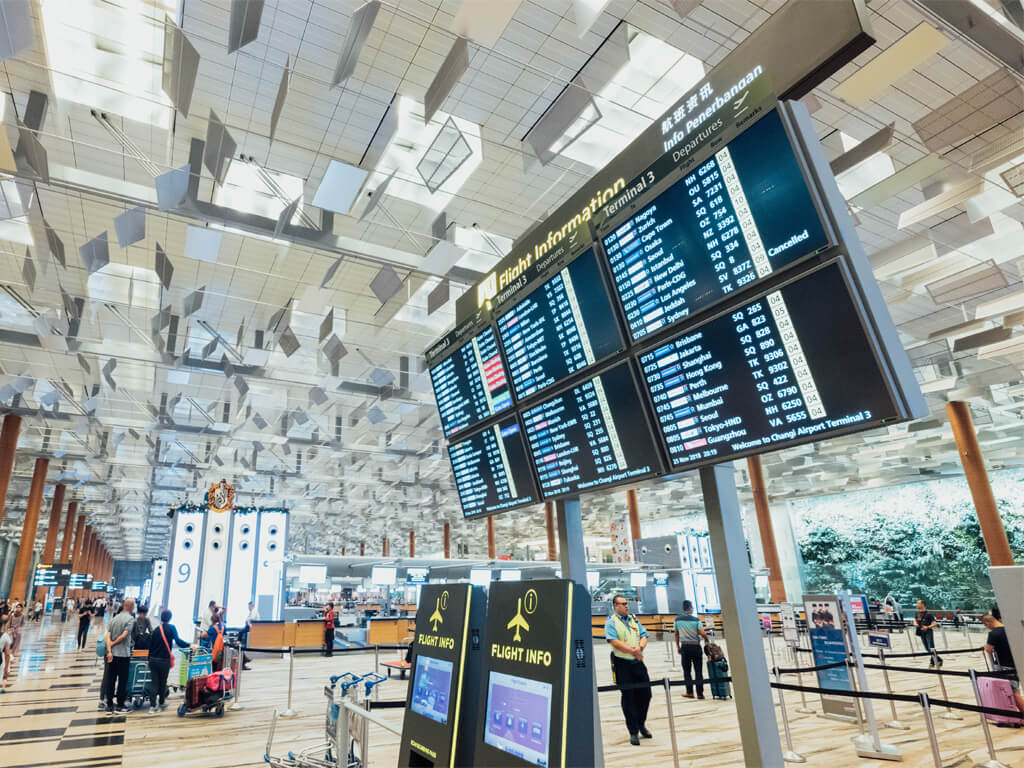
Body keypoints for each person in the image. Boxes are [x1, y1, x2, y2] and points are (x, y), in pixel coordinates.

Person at [604, 595, 652, 746]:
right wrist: (632, 651)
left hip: (637, 663)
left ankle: (641, 723)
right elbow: (614, 642)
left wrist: (640, 648)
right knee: (629, 697)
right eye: (623, 604)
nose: (626, 606)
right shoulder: (611, 622)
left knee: (646, 694)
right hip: (622, 664)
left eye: (627, 604)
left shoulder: (634, 619)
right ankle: (633, 731)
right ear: (615, 606)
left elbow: (644, 635)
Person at [147, 609, 191, 713]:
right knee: (162, 682)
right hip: (164, 660)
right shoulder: (171, 628)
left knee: (154, 683)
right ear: (170, 618)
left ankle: (152, 706)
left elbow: (151, 646)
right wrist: (189, 645)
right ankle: (161, 703)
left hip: (153, 660)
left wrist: (148, 659)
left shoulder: (156, 629)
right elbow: (178, 641)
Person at [103, 598, 135, 713]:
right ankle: (120, 705)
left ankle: (109, 705)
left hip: (112, 655)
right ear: (131, 606)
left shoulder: (114, 618)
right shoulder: (130, 619)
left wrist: (110, 649)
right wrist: (114, 643)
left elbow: (107, 635)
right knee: (122, 681)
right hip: (123, 655)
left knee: (110, 680)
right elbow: (124, 635)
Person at [674, 599, 706, 699]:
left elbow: (676, 634)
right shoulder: (696, 620)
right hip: (696, 646)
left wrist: (678, 646)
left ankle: (690, 692)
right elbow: (702, 633)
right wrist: (707, 639)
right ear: (690, 608)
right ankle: (700, 694)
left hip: (685, 647)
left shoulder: (677, 620)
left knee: (687, 671)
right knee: (698, 671)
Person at [915, 599, 942, 667]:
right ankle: (938, 659)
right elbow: (915, 620)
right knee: (927, 648)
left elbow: (934, 623)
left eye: (918, 603)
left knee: (931, 647)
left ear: (923, 604)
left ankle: (932, 662)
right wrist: (915, 624)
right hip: (921, 632)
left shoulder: (929, 613)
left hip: (928, 632)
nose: (917, 605)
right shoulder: (917, 613)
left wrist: (927, 627)